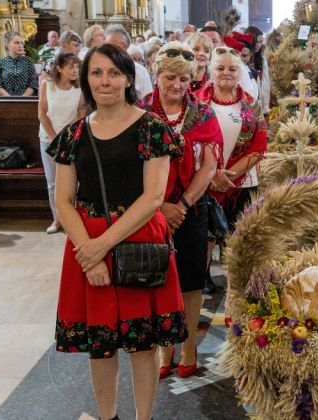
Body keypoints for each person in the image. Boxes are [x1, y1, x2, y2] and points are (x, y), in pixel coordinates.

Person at [46, 43, 188, 420]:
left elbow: (154, 196)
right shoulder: (74, 135)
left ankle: (144, 417)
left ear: (128, 78)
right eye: (96, 73)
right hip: (86, 240)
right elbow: (64, 201)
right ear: (85, 80)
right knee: (101, 344)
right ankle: (107, 416)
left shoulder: (151, 127)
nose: (104, 81)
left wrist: (100, 247)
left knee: (143, 345)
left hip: (137, 237)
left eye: (113, 73)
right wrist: (88, 252)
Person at [139, 41, 223, 379]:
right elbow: (134, 166)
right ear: (156, 74)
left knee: (189, 281)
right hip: (149, 206)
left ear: (193, 81)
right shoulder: (141, 112)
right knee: (156, 278)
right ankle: (164, 346)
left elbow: (209, 166)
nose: (177, 86)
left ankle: (187, 344)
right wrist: (161, 206)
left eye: (185, 80)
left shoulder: (202, 113)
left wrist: (183, 205)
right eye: (170, 77)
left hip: (191, 206)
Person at [202, 47, 267, 289]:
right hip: (203, 180)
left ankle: (239, 286)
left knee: (239, 238)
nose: (226, 73)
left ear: (240, 73)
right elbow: (191, 144)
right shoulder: (198, 102)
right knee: (205, 238)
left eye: (232, 69)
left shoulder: (251, 106)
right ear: (211, 71)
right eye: (220, 68)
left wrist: (227, 175)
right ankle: (203, 277)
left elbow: (259, 148)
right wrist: (211, 176)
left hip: (241, 182)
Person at [38, 52, 85, 234]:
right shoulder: (47, 85)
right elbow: (42, 113)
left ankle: (72, 217)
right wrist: (55, 138)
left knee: (74, 181)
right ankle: (57, 218)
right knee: (53, 182)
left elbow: (81, 113)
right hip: (48, 139)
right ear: (59, 69)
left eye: (77, 66)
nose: (75, 70)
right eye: (71, 67)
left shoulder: (79, 87)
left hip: (71, 139)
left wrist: (72, 136)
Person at [105, 24, 153, 98]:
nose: (105, 50)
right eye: (105, 46)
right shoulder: (102, 68)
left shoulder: (140, 71)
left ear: (124, 46)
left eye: (109, 46)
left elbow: (148, 101)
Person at [0, 32, 38, 96]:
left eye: (22, 43)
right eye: (17, 42)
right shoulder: (0, 62)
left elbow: (33, 83)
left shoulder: (28, 61)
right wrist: (10, 99)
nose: (20, 45)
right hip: (6, 101)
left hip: (26, 101)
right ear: (7, 44)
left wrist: (23, 98)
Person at [245, 25, 271, 113]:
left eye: (261, 42)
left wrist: (265, 107)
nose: (259, 45)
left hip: (258, 104)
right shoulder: (239, 57)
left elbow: (265, 85)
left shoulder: (262, 60)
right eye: (257, 41)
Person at [186, 32, 214, 99]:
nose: (201, 53)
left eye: (206, 51)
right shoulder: (178, 79)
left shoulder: (214, 82)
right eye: (196, 49)